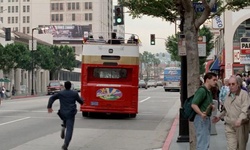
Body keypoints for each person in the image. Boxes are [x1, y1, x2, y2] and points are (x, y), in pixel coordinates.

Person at [212, 76, 250, 150]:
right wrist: (219, 116)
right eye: (229, 84)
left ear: (238, 84)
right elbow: (225, 109)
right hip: (229, 124)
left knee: (240, 147)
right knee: (231, 147)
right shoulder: (228, 95)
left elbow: (245, 109)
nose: (231, 86)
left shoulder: (244, 94)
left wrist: (240, 119)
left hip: (241, 126)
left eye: (233, 84)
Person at [47, 81, 84, 150]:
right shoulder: (74, 93)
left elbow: (51, 98)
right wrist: (82, 101)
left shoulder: (61, 93)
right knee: (69, 129)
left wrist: (49, 107)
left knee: (64, 118)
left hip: (62, 112)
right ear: (70, 86)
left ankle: (64, 125)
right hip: (71, 113)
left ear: (64, 86)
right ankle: (65, 144)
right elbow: (80, 101)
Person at [191, 72, 218, 150]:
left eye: (216, 80)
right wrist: (201, 113)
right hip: (201, 119)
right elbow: (193, 104)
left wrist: (211, 106)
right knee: (203, 142)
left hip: (205, 118)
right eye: (214, 80)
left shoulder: (208, 91)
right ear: (207, 80)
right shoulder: (202, 91)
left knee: (205, 141)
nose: (215, 82)